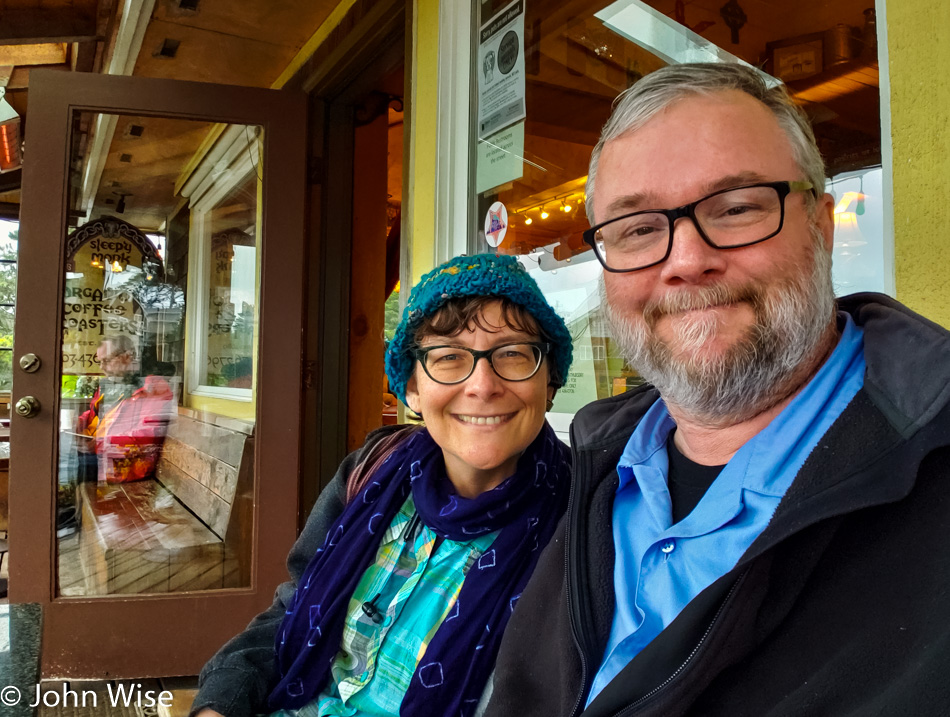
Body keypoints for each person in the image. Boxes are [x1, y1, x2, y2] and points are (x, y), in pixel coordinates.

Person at [486, 63, 950, 716]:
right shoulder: (597, 465)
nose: (685, 260)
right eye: (640, 228)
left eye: (735, 208)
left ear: (822, 226)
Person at [191, 253, 574, 717]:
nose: (482, 384)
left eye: (513, 353)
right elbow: (291, 609)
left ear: (549, 380)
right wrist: (220, 703)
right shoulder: (373, 469)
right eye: (448, 357)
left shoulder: (589, 520)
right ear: (411, 389)